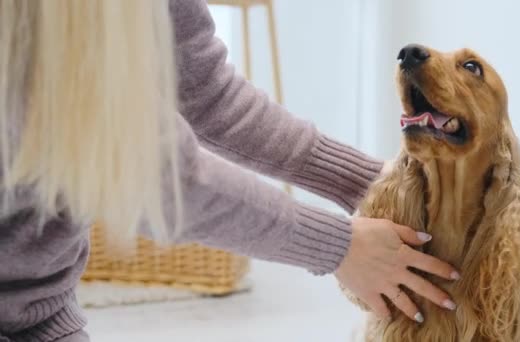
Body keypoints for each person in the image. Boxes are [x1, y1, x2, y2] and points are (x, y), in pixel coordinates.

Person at [0, 1, 459, 341]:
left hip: (36, 314)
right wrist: (341, 246)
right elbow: (154, 172)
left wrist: (372, 181)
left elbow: (206, 93)